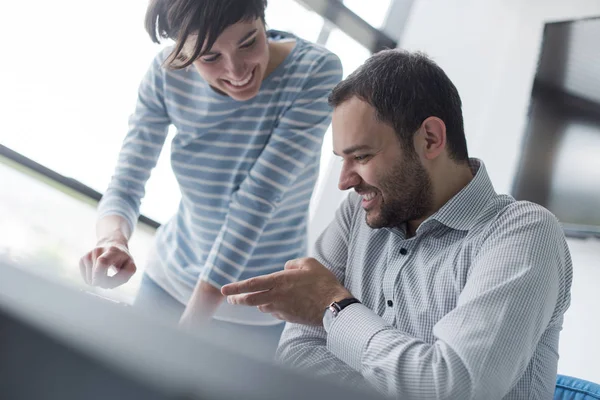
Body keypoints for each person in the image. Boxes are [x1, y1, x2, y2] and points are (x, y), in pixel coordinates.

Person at [222, 49, 573, 398]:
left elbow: (453, 388)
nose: (344, 181)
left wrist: (335, 307)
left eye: (361, 156)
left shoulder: (524, 233)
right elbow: (298, 353)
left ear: (430, 139)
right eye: (342, 159)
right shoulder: (356, 213)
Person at [78, 0, 342, 355]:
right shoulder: (166, 74)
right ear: (181, 51)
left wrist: (190, 324)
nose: (236, 70)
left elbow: (257, 200)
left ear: (263, 20)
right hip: (168, 279)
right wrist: (113, 239)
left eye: (248, 42)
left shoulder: (315, 70)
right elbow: (128, 178)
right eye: (209, 57)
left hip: (261, 302)